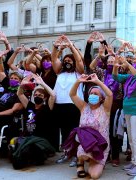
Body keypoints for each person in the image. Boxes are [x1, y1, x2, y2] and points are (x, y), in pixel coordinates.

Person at [64, 73, 113, 179]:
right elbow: (72, 94)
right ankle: (80, 163)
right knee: (83, 154)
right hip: (86, 143)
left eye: (96, 94)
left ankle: (94, 161)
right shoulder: (83, 107)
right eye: (91, 93)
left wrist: (97, 82)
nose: (93, 95)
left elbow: (110, 95)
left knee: (94, 175)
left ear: (101, 98)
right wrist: (78, 81)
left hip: (101, 145)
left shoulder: (105, 109)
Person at [51, 35, 84, 165]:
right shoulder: (59, 72)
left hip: (74, 105)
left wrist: (70, 46)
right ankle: (66, 153)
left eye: (70, 60)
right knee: (64, 131)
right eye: (66, 60)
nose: (68, 62)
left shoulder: (79, 72)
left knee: (74, 131)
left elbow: (79, 60)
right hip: (60, 105)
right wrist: (55, 46)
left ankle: (76, 155)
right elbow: (54, 58)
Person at [112, 55, 136, 176]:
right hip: (127, 110)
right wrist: (116, 65)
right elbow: (115, 76)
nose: (135, 63)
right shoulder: (128, 77)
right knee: (131, 138)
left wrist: (127, 63)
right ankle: (134, 161)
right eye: (134, 62)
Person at [0, 55, 23, 166]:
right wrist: (0, 60)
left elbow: (13, 110)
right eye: (11, 78)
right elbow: (1, 71)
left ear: (20, 81)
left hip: (7, 118)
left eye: (15, 79)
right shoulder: (8, 88)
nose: (12, 80)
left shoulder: (21, 94)